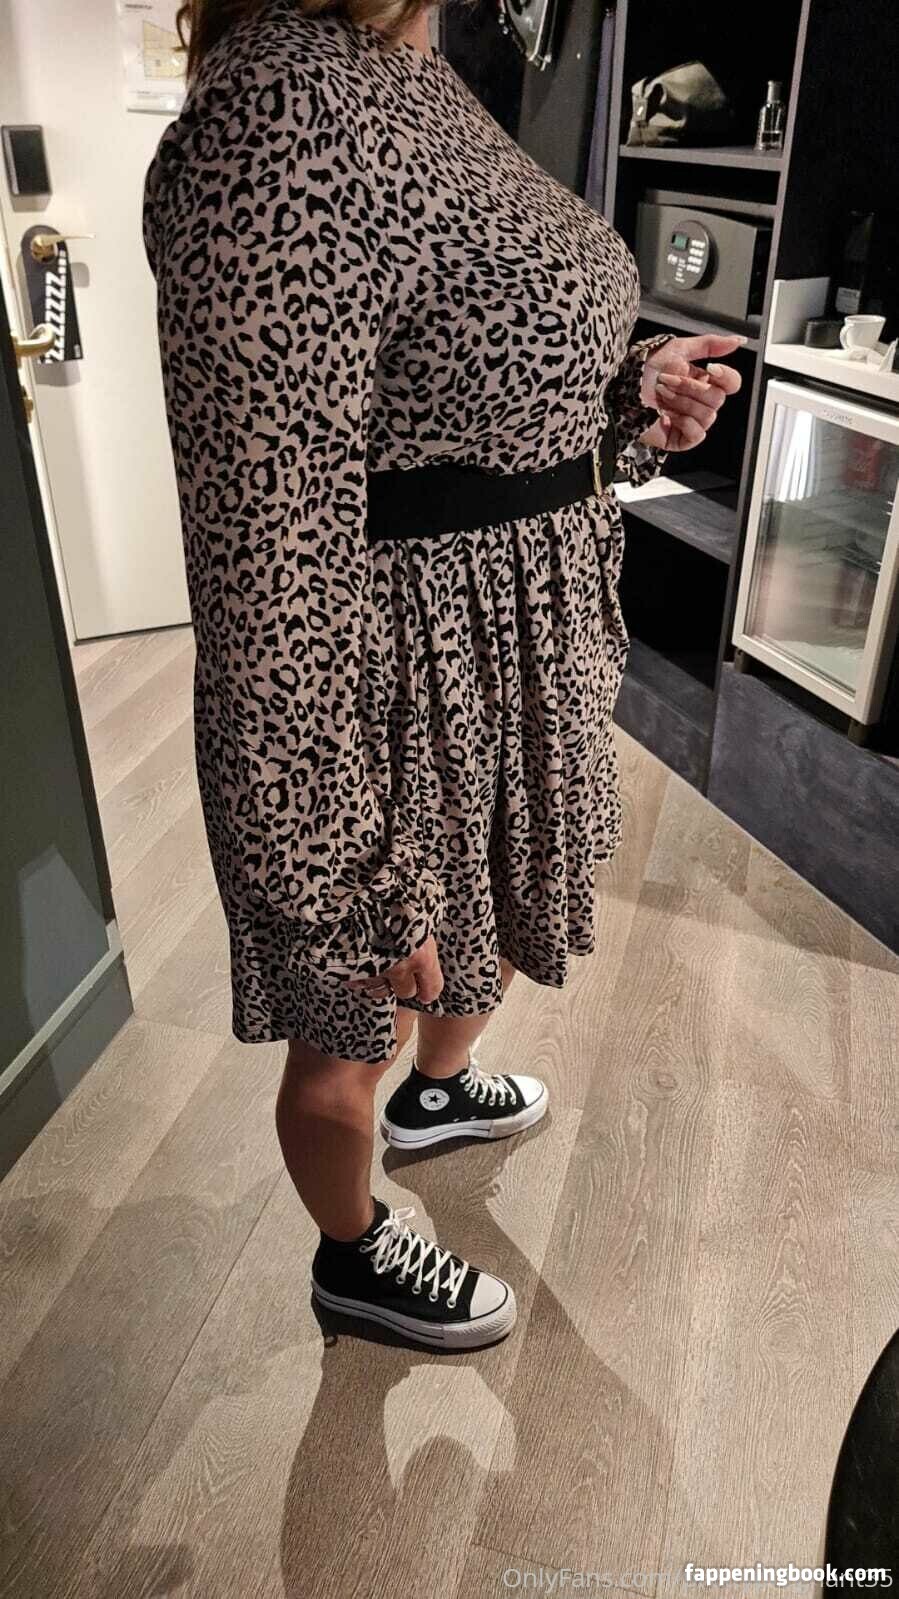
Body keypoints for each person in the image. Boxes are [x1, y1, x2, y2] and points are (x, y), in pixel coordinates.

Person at [143, 0, 743, 1351]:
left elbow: (463, 361)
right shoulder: (284, 107)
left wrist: (628, 390)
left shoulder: (422, 69)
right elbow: (263, 553)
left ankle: (439, 1094)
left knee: (484, 923)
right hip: (398, 669)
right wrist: (337, 865)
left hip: (515, 638)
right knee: (356, 1012)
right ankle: (351, 1254)